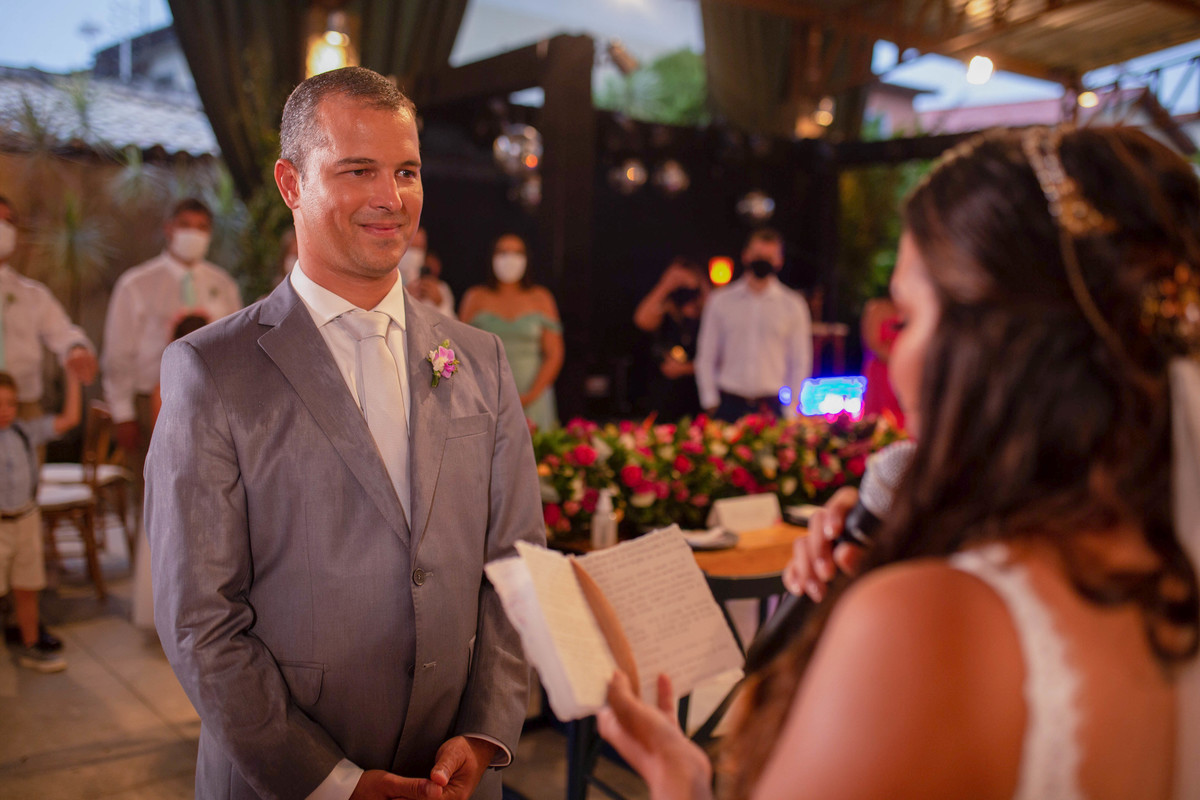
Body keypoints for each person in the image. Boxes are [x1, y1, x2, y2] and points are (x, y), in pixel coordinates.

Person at [597, 127, 1200, 799]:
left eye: (906, 318)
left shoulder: (929, 622)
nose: (895, 354)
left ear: (992, 346)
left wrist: (678, 780)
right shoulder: (1172, 568)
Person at [147, 66, 545, 800]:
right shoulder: (212, 371)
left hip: (454, 774)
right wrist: (335, 783)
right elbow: (200, 620)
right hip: (284, 781)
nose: (390, 199)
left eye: (406, 172)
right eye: (358, 170)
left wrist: (486, 731)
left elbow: (517, 562)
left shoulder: (478, 359)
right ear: (291, 184)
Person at [101, 197, 241, 494]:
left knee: (205, 491)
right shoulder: (137, 283)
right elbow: (118, 354)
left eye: (202, 227)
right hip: (151, 399)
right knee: (153, 491)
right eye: (186, 226)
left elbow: (235, 345)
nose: (194, 234)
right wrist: (123, 413)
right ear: (169, 228)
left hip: (210, 402)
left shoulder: (223, 284)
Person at [0, 369, 80, 672]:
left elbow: (69, 419)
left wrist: (72, 377)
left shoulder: (24, 431)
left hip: (26, 519)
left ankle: (31, 644)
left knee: (27, 586)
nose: (4, 410)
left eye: (10, 403)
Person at [694, 228, 813, 422]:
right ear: (746, 256)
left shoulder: (793, 305)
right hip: (728, 405)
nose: (762, 262)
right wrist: (710, 402)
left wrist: (792, 408)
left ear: (779, 261)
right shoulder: (720, 300)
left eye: (769, 257)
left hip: (771, 406)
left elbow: (800, 361)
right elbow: (706, 356)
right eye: (758, 255)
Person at [0, 196, 98, 418]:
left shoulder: (33, 294)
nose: (2, 228)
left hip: (21, 407)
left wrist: (76, 349)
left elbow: (64, 333)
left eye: (8, 222)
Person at [460, 233, 563, 430]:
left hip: (534, 398)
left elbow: (554, 353)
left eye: (517, 253)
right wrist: (484, 394)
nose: (510, 258)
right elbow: (461, 352)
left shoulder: (541, 298)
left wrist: (531, 395)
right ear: (491, 258)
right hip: (486, 399)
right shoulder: (475, 297)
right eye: (503, 252)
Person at [633, 257, 709, 421]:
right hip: (665, 397)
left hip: (698, 397)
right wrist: (666, 284)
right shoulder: (667, 309)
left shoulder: (709, 312)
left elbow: (720, 360)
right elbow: (642, 320)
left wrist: (686, 368)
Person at [859, 295, 905, 428]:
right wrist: (901, 361)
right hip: (882, 372)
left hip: (904, 373)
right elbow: (872, 343)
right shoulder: (877, 307)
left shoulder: (912, 309)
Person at [402, 227, 456, 318]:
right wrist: (402, 298)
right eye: (412, 247)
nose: (416, 254)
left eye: (420, 248)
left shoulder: (439, 288)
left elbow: (453, 328)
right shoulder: (383, 285)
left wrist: (439, 304)